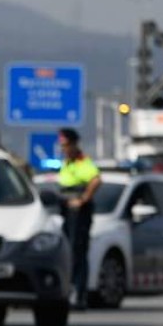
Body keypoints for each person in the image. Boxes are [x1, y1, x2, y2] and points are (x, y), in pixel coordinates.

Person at [57, 127, 101, 310]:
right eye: (62, 146)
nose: (63, 149)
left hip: (79, 213)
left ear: (74, 144)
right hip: (66, 210)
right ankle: (67, 290)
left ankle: (78, 293)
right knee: (67, 250)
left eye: (66, 145)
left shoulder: (84, 162)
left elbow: (96, 180)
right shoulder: (67, 163)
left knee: (77, 251)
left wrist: (83, 199)